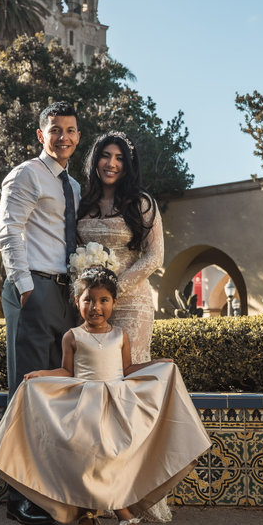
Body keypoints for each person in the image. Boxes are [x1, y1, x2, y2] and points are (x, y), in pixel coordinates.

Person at [0, 266, 211, 525]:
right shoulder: (72, 336)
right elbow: (68, 371)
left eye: (103, 300)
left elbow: (127, 368)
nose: (96, 307)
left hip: (116, 403)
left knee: (113, 456)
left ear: (113, 303)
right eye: (88, 300)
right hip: (85, 406)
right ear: (77, 302)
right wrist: (41, 375)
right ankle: (93, 513)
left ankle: (119, 511)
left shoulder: (120, 336)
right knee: (87, 457)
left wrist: (157, 365)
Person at [0, 99, 81, 525]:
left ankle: (48, 491)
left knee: (55, 395)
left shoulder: (75, 186)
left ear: (77, 137)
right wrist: (26, 289)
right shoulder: (26, 174)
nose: (62, 136)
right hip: (35, 290)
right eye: (55, 129)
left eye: (69, 130)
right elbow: (9, 231)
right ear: (40, 134)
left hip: (65, 295)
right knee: (26, 394)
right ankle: (19, 496)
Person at [77, 132, 163, 365]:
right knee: (94, 372)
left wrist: (114, 291)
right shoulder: (82, 204)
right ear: (95, 161)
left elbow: (155, 256)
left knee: (127, 373)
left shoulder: (142, 203)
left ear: (128, 165)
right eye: (105, 156)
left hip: (131, 304)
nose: (112, 163)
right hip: (90, 305)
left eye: (119, 158)